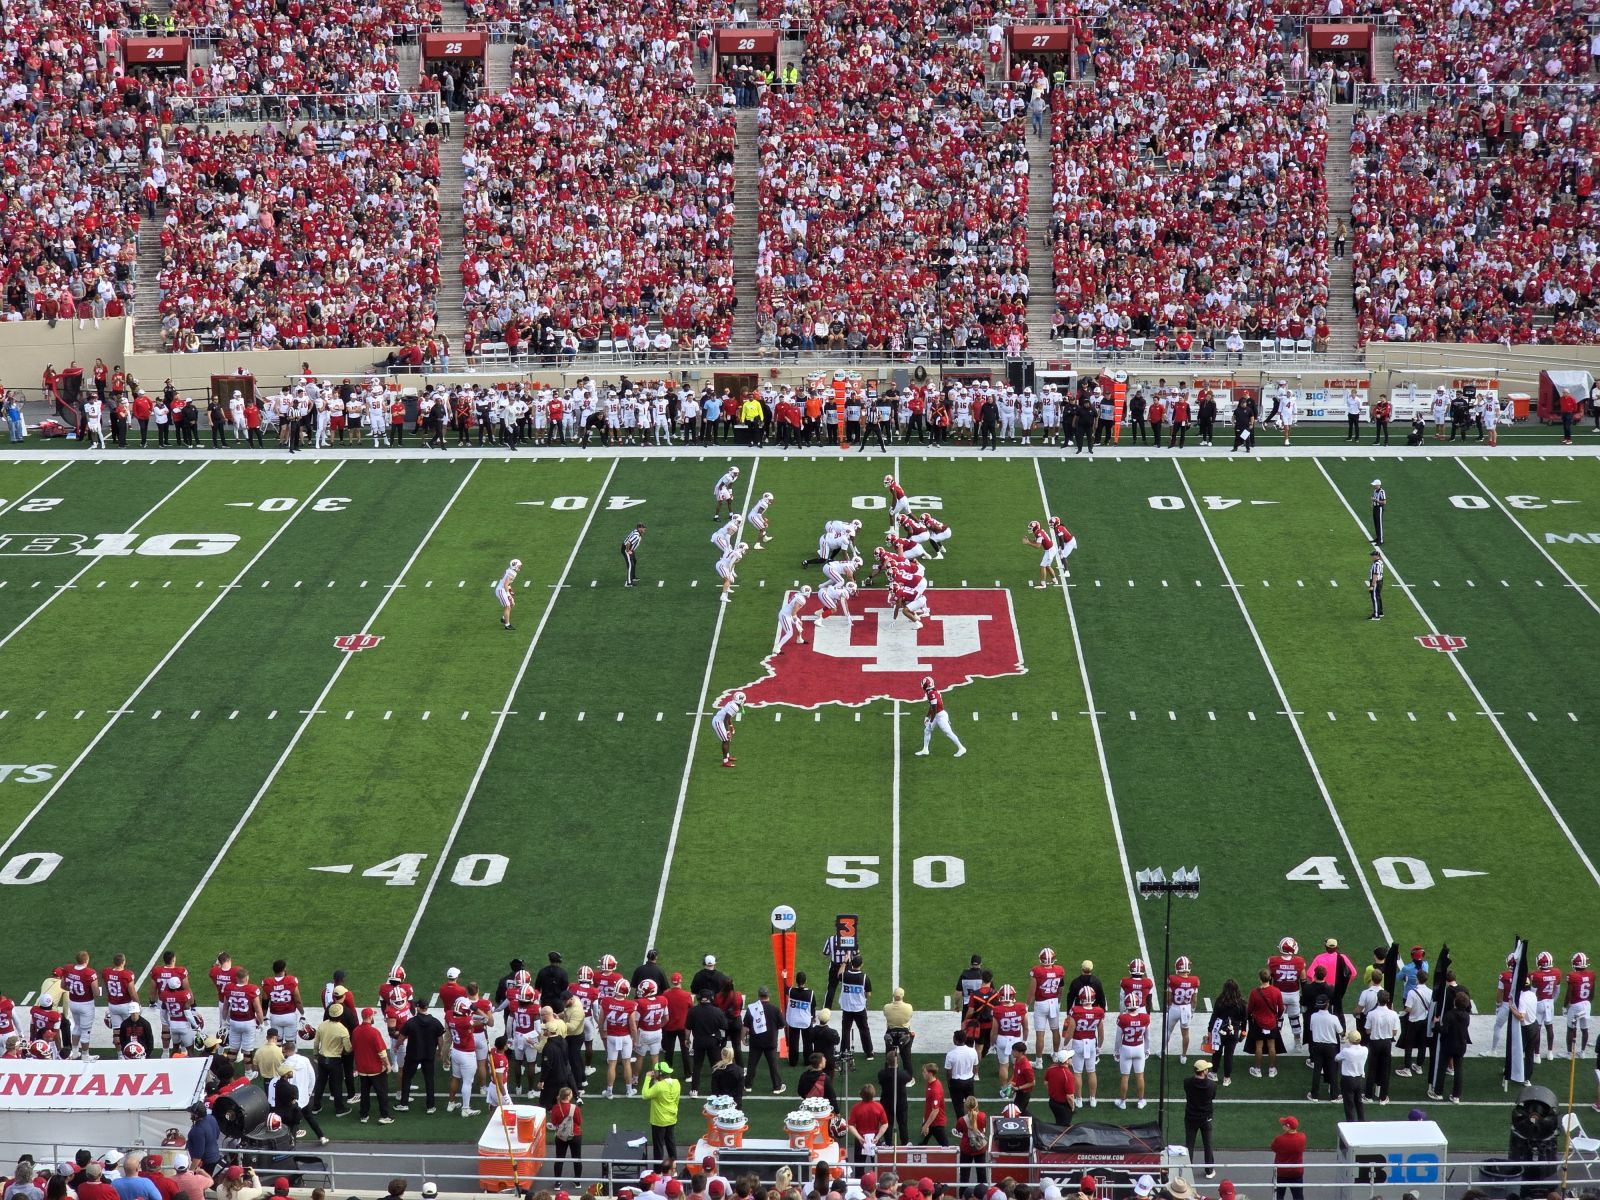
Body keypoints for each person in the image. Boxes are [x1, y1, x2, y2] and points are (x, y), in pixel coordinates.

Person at [399, 1003, 445, 1112]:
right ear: (426, 1008)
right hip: (428, 1055)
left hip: (413, 1054)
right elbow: (440, 1039)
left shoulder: (411, 1022)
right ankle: (430, 1106)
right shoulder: (435, 1022)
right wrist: (440, 1051)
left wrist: (397, 1046)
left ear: (418, 1008)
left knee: (407, 1078)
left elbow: (402, 1036)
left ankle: (404, 1103)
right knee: (429, 1080)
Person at [352, 1008, 394, 1124]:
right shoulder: (374, 1032)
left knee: (364, 1094)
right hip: (376, 1069)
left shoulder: (355, 1031)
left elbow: (353, 1048)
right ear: (370, 1017)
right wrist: (388, 1064)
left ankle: (364, 1115)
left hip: (362, 1069)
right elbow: (382, 1052)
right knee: (382, 1093)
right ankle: (384, 1116)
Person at [1431, 991, 1471, 1103]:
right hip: (1461, 1045)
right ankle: (1456, 1095)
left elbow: (1444, 1030)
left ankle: (1438, 1092)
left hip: (1448, 1045)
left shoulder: (1450, 1014)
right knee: (1458, 1070)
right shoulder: (1466, 1016)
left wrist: (1437, 1023)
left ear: (1455, 1002)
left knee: (1442, 1068)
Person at [744, 986, 785, 1094]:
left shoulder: (751, 1009)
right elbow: (782, 1025)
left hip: (755, 1042)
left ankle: (748, 1085)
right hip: (770, 1042)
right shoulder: (775, 1009)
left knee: (752, 1064)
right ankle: (777, 1087)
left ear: (759, 995)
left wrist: (743, 1038)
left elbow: (746, 1025)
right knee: (773, 1066)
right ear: (768, 996)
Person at [1182, 1060, 1217, 1179]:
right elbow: (1212, 1097)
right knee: (1208, 1144)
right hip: (1205, 1118)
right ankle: (1209, 1170)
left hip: (1191, 1117)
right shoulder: (1211, 1085)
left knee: (1189, 1145)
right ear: (1204, 1071)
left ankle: (1187, 1170)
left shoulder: (1187, 1082)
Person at [641, 1062, 682, 1163]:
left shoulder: (659, 1086)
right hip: (672, 1118)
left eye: (655, 1072)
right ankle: (673, 1168)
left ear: (660, 1073)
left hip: (659, 1121)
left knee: (658, 1147)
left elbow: (645, 1095)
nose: (654, 1073)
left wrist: (647, 1078)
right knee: (670, 1143)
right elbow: (677, 1100)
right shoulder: (676, 1083)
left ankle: (658, 1171)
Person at [1363, 990, 1399, 1104]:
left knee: (1372, 1069)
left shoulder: (1371, 1014)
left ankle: (1368, 1095)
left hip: (1374, 1043)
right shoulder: (1393, 1014)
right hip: (1386, 1043)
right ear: (1388, 1000)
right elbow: (1394, 1033)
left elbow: (1367, 1031)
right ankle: (1383, 1097)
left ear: (1377, 1000)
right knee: (1385, 1070)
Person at [1248, 969, 1285, 1078]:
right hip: (1272, 1022)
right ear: (1270, 978)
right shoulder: (1276, 991)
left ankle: (1257, 1069)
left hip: (1258, 1023)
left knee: (1259, 1046)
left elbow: (1249, 1009)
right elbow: (1281, 1008)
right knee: (1271, 1046)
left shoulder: (1254, 993)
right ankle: (1272, 1069)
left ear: (1259, 979)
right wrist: (1276, 1017)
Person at [1307, 995, 1341, 1101]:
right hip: (1330, 1047)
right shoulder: (1333, 1018)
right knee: (1332, 1070)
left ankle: (1314, 1095)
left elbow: (1312, 1029)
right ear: (1327, 1004)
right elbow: (1340, 1031)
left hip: (1317, 1045)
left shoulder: (1313, 1016)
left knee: (1317, 1070)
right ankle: (1334, 1095)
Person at [838, 956, 873, 1058]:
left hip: (847, 1008)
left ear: (851, 964)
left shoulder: (845, 975)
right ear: (861, 965)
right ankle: (869, 1052)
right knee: (864, 1030)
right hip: (859, 1008)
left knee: (846, 1030)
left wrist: (844, 962)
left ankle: (844, 1052)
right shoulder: (864, 977)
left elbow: (839, 974)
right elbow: (868, 994)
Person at [847, 1084, 889, 1164]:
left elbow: (851, 1125)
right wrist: (877, 1137)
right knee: (876, 1166)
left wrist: (859, 1137)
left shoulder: (856, 1108)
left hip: (861, 1140)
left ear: (861, 1095)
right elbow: (885, 1124)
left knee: (859, 1166)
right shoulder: (878, 1107)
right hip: (875, 1140)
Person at [548, 1086, 583, 1178]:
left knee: (559, 1158)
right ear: (568, 1097)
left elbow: (554, 1123)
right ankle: (577, 1181)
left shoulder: (555, 1108)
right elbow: (579, 1122)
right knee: (577, 1159)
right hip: (575, 1135)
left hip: (560, 1137)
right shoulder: (575, 1108)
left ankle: (557, 1182)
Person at [955, 1094, 989, 1187]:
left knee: (964, 1177)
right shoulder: (983, 1116)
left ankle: (962, 1196)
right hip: (980, 1148)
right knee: (982, 1175)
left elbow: (958, 1130)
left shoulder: (961, 1120)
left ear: (966, 1107)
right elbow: (983, 1127)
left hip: (966, 1149)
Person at [1271, 1115, 1306, 1200]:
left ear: (1288, 1127)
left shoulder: (1279, 1139)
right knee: (1298, 1196)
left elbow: (1274, 1148)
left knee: (1279, 1195)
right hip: (1296, 1172)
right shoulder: (1302, 1137)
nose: (1282, 1125)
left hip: (1281, 1172)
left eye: (1284, 1124)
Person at [1336, 1028, 1369, 1121]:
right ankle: (1362, 1121)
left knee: (1349, 1104)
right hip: (1359, 1079)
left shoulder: (1346, 1051)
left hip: (1347, 1080)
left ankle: (1351, 1123)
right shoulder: (1365, 1050)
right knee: (1359, 1102)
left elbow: (1337, 1058)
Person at [944, 1030, 979, 1113]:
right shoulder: (972, 1051)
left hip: (956, 1082)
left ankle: (961, 1125)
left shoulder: (951, 1054)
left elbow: (949, 1071)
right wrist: (972, 1077)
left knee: (958, 1106)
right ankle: (973, 1122)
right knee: (972, 1105)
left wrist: (949, 1082)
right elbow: (975, 1066)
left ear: (956, 1040)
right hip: (969, 1080)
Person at [185, 1103, 222, 1177]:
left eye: (192, 1113)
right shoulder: (211, 1118)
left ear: (196, 1115)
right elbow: (217, 1135)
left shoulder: (197, 1130)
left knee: (203, 1185)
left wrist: (190, 1172)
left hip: (206, 1164)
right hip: (216, 1157)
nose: (190, 1115)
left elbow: (198, 1156)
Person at [920, 1062, 949, 1144]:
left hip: (936, 1123)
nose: (923, 1073)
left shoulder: (935, 1090)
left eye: (924, 1072)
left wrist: (926, 1125)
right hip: (930, 1120)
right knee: (922, 1143)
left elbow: (935, 1111)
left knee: (945, 1146)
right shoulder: (931, 1083)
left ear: (930, 1074)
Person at [496, 558, 521, 630]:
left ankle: (504, 618)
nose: (519, 567)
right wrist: (508, 595)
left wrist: (510, 590)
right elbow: (505, 584)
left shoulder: (510, 571)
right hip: (501, 590)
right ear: (515, 566)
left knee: (512, 604)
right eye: (518, 566)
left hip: (503, 589)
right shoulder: (512, 573)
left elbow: (507, 584)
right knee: (507, 606)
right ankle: (507, 625)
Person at [1367, 551, 1385, 621]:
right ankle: (1380, 612)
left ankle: (1376, 615)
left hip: (1376, 582)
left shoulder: (1376, 564)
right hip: (1380, 581)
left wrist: (1372, 585)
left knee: (1375, 598)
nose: (1371, 557)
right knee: (1378, 596)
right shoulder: (1380, 562)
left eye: (1373, 555)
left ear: (1377, 556)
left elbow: (1375, 575)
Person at [1370, 480, 1386, 546]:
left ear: (1378, 485)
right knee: (1376, 523)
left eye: (1375, 485)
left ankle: (1381, 540)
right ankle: (1377, 538)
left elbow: (1384, 502)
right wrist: (1372, 502)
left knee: (1379, 524)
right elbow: (1374, 498)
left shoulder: (1382, 492)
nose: (1374, 486)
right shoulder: (1375, 491)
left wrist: (1376, 500)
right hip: (1375, 508)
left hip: (1379, 508)